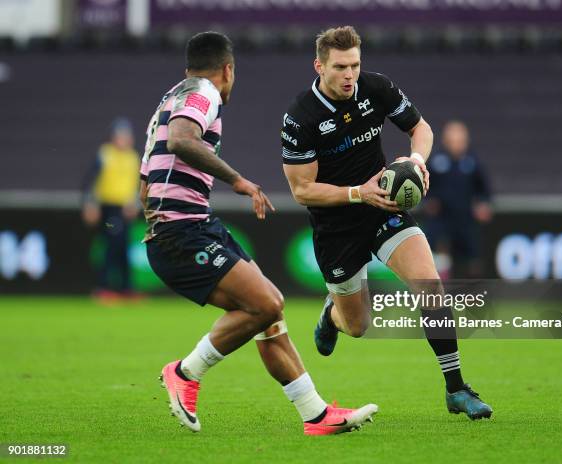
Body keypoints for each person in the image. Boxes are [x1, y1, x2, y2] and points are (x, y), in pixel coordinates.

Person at [140, 31, 377, 435]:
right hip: (181, 231)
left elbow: (151, 169)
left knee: (269, 315)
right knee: (267, 303)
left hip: (190, 224)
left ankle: (315, 415)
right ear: (228, 69)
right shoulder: (203, 93)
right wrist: (238, 181)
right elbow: (182, 140)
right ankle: (184, 372)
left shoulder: (174, 93)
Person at [281, 26, 492, 420]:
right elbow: (302, 190)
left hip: (384, 209)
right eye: (341, 67)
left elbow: (421, 129)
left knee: (430, 285)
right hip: (337, 227)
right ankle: (332, 315)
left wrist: (416, 160)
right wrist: (358, 192)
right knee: (357, 325)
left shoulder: (375, 88)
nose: (350, 75)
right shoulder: (300, 117)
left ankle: (456, 388)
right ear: (319, 66)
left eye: (355, 65)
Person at [424, 120, 493, 279]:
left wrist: (483, 204)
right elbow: (425, 187)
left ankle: (473, 293)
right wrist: (429, 202)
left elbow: (484, 189)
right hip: (441, 217)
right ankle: (441, 290)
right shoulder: (436, 161)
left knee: (472, 257)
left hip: (465, 217)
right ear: (445, 141)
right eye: (452, 140)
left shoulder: (472, 162)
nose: (456, 144)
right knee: (437, 253)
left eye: (459, 140)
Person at [82, 117, 141, 299]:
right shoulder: (105, 153)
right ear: (113, 137)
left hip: (126, 209)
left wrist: (136, 204)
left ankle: (125, 288)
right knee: (112, 246)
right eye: (120, 135)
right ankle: (104, 287)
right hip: (109, 207)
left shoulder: (133, 157)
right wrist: (90, 204)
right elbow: (90, 181)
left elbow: (139, 185)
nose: (123, 139)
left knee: (123, 247)